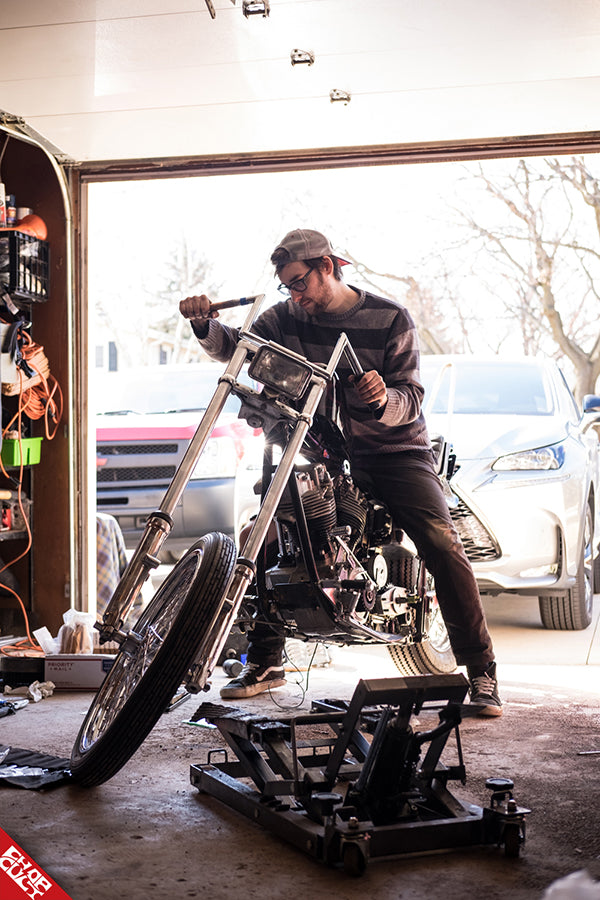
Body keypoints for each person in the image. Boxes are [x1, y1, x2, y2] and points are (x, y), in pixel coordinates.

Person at [179, 228, 502, 716]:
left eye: (300, 283)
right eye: (287, 286)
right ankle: (266, 660)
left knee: (441, 543)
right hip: (324, 448)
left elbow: (411, 400)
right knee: (267, 528)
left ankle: (481, 673)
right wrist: (204, 325)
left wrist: (383, 399)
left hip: (394, 451)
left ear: (327, 267)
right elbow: (236, 349)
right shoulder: (283, 318)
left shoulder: (389, 318)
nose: (296, 296)